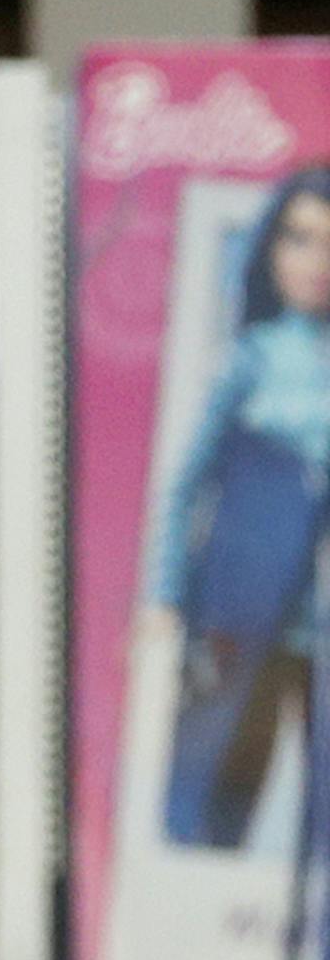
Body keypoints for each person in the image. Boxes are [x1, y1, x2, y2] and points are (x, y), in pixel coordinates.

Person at [145, 165, 330, 850]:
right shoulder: (252, 360)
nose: (317, 262)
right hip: (240, 609)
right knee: (210, 791)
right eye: (301, 239)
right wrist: (165, 595)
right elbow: (185, 484)